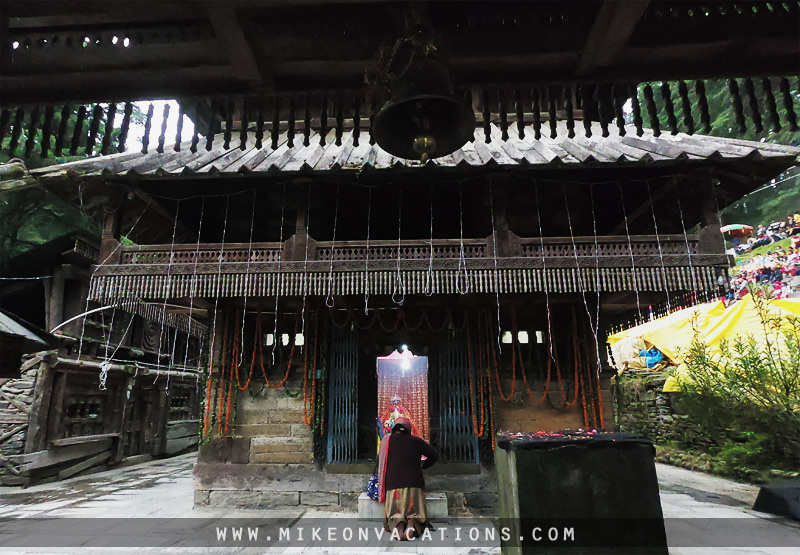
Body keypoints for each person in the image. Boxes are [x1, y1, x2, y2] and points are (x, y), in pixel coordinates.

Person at [377, 416, 439, 540]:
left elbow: (380, 461)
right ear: (408, 429)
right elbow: (434, 455)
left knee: (395, 513)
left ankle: (398, 523)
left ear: (394, 428)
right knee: (415, 512)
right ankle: (412, 522)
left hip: (394, 484)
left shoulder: (387, 441)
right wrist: (423, 465)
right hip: (415, 483)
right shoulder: (415, 440)